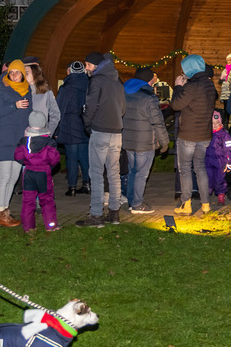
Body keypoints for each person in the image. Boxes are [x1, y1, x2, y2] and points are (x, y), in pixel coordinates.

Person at [76, 52, 125, 228]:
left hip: (100, 131)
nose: (86, 68)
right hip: (116, 132)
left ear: (96, 66)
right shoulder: (117, 81)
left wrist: (87, 123)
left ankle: (96, 214)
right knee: (114, 173)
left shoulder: (97, 81)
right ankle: (114, 213)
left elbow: (90, 106)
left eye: (88, 65)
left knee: (96, 174)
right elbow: (123, 108)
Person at [170, 54, 218, 215]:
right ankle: (206, 205)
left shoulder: (192, 86)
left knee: (185, 169)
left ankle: (187, 205)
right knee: (200, 168)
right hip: (204, 135)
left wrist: (178, 87)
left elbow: (176, 104)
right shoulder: (209, 85)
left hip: (188, 136)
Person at [0, 60, 31, 227]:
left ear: (22, 74)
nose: (13, 75)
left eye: (17, 72)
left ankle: (5, 211)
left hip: (19, 140)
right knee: (4, 176)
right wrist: (14, 105)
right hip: (4, 139)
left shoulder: (27, 91)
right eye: (11, 72)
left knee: (13, 177)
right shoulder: (2, 89)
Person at [122, 67, 168, 214]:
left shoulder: (124, 92)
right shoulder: (149, 96)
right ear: (149, 79)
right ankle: (137, 204)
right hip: (145, 141)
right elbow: (158, 121)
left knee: (132, 171)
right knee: (141, 173)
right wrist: (164, 141)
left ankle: (132, 201)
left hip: (128, 139)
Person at [13, 110, 61, 232]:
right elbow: (54, 158)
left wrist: (27, 161)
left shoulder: (24, 141)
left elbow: (18, 156)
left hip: (29, 172)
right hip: (44, 172)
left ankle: (28, 227)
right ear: (44, 123)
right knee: (47, 199)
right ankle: (51, 225)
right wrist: (49, 166)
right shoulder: (49, 141)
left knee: (28, 200)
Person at [56, 61, 91, 197]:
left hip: (69, 126)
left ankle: (72, 187)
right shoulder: (89, 86)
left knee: (71, 158)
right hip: (85, 125)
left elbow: (59, 109)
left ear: (69, 71)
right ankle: (87, 184)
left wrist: (57, 130)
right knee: (84, 157)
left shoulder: (66, 88)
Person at [24, 60, 60, 137]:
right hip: (22, 136)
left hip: (40, 136)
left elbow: (55, 115)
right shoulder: (20, 92)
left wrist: (48, 133)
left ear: (35, 74)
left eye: (27, 73)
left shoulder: (46, 93)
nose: (24, 75)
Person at [205, 111, 231, 206]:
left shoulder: (224, 135)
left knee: (220, 179)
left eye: (217, 123)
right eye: (212, 123)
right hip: (208, 161)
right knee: (208, 178)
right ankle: (206, 195)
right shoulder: (207, 135)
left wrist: (228, 161)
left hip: (220, 161)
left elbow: (228, 149)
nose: (214, 125)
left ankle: (221, 195)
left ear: (220, 123)